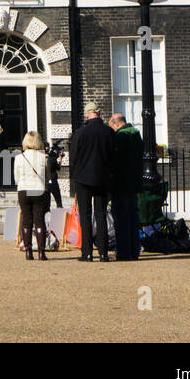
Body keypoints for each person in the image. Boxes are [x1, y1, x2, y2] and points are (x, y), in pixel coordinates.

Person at [67, 101, 115, 261]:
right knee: (101, 215)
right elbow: (114, 155)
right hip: (102, 178)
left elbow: (72, 157)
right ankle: (103, 253)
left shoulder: (80, 133)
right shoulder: (109, 132)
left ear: (87, 114)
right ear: (99, 114)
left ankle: (87, 252)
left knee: (85, 215)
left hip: (83, 178)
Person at [108, 114, 144, 261]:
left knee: (121, 218)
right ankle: (134, 250)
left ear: (116, 124)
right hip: (134, 182)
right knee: (133, 217)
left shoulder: (121, 137)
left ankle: (123, 251)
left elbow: (116, 161)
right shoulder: (136, 135)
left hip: (121, 183)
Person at [13, 131, 49, 260]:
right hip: (38, 189)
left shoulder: (19, 157)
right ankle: (41, 252)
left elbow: (16, 177)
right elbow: (47, 176)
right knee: (39, 221)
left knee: (26, 221)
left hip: (23, 190)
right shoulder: (43, 157)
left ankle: (28, 251)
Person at [44, 140, 63, 209]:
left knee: (46, 202)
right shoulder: (52, 159)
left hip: (44, 182)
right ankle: (60, 215)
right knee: (58, 200)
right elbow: (58, 168)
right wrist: (60, 158)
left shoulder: (39, 159)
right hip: (53, 180)